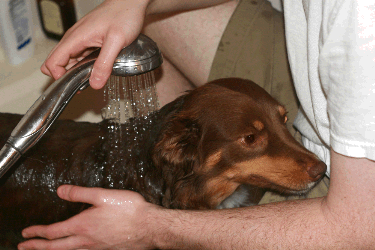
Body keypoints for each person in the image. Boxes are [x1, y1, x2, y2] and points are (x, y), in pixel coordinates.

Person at [18, 0, 375, 249]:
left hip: (357, 207)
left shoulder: (363, 27)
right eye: (252, 137)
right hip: (308, 42)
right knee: (139, 24)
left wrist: (152, 229)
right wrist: (136, 3)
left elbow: (359, 230)